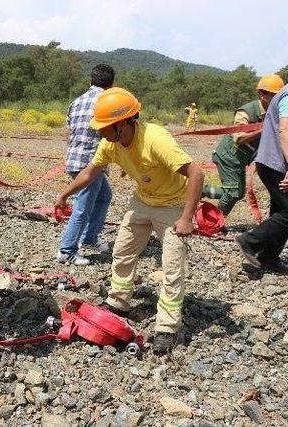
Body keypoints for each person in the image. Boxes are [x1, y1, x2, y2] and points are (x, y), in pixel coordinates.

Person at [55, 88, 204, 354]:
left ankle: (167, 328)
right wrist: (65, 194)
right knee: (122, 251)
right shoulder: (110, 143)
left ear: (122, 124)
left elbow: (196, 172)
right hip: (142, 201)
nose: (98, 132)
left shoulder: (155, 139)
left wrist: (186, 218)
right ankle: (118, 302)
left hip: (173, 205)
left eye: (103, 127)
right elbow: (91, 171)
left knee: (172, 266)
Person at [57, 64, 115, 266]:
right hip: (91, 164)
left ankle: (90, 238)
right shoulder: (106, 102)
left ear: (90, 81)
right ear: (111, 85)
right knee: (83, 208)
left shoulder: (76, 102)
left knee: (105, 196)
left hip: (73, 158)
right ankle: (67, 249)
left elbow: (69, 132)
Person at [203, 75, 285, 215]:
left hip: (241, 160)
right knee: (233, 193)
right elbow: (239, 138)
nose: (277, 99)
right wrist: (264, 129)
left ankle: (200, 190)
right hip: (228, 157)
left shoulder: (274, 111)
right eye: (273, 95)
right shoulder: (245, 112)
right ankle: (217, 221)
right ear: (262, 94)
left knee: (238, 193)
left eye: (278, 95)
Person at [235, 82, 288, 273]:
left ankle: (269, 257)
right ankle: (250, 241)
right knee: (287, 212)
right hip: (276, 163)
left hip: (274, 162)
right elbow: (285, 131)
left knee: (280, 209)